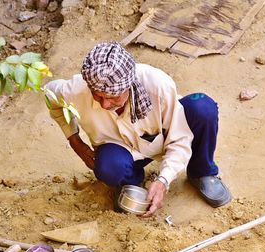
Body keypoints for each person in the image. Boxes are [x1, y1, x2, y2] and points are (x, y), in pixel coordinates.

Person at [44, 41, 232, 217]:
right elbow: (49, 95)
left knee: (203, 109)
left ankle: (201, 172)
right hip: (120, 148)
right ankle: (131, 183)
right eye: (97, 96)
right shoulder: (76, 90)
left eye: (113, 96)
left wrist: (163, 180)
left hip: (161, 137)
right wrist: (74, 140)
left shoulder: (157, 85)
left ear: (128, 85)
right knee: (109, 167)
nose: (105, 104)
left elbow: (179, 139)